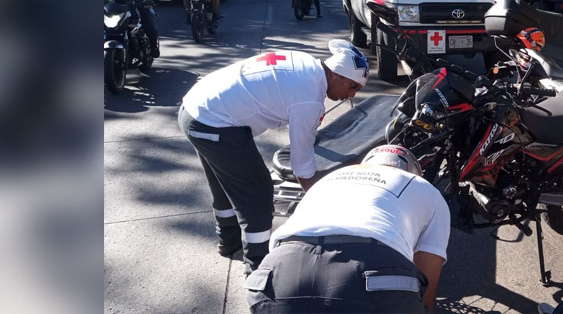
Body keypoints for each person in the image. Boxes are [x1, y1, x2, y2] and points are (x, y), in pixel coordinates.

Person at [177, 40, 369, 273]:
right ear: (337, 75)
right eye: (352, 86)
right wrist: (323, 202)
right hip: (214, 123)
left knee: (225, 184)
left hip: (196, 107)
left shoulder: (306, 63)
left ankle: (229, 241)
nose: (350, 95)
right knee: (257, 192)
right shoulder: (309, 98)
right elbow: (302, 164)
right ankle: (257, 267)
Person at [247, 145, 450, 313]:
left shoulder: (328, 180)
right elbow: (427, 285)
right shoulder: (424, 188)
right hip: (371, 272)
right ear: (412, 170)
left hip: (277, 275)